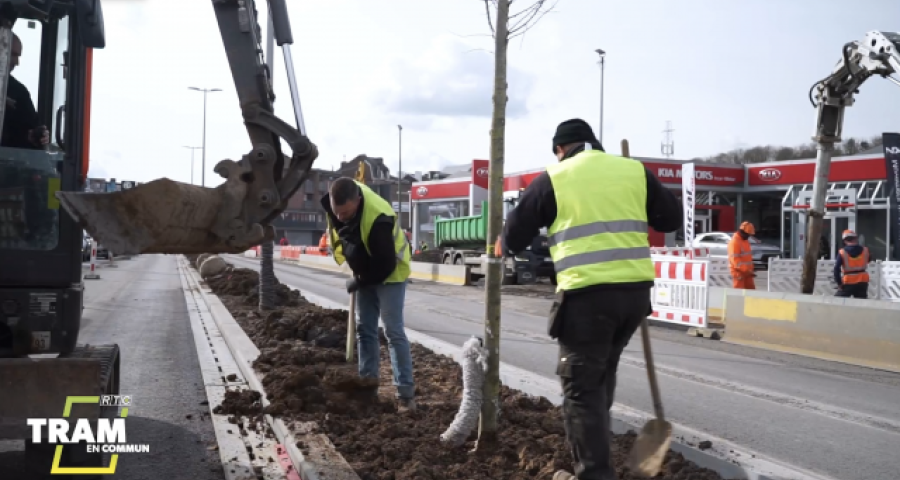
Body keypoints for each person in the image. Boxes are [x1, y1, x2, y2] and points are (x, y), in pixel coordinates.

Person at [500, 119, 682, 480]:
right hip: (633, 296)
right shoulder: (633, 171)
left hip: (587, 298)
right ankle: (599, 459)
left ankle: (595, 474)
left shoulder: (557, 176)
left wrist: (503, 243)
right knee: (601, 376)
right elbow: (670, 218)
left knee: (581, 392)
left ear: (560, 148)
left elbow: (514, 236)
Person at [321, 177, 416, 411]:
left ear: (358, 201)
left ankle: (405, 395)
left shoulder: (378, 217)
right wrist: (358, 271)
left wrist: (360, 280)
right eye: (338, 213)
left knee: (393, 332)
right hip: (365, 269)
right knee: (365, 330)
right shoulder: (333, 205)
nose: (340, 217)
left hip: (391, 273)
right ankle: (367, 388)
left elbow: (385, 266)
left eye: (346, 213)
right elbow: (344, 235)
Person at [1, 33, 49, 150]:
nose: (17, 62)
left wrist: (36, 137)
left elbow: (30, 131)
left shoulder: (18, 92)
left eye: (18, 56)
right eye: (13, 54)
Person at [834, 229, 870, 299]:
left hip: (848, 281)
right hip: (863, 280)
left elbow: (836, 269)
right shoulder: (865, 250)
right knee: (861, 303)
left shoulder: (842, 252)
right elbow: (868, 260)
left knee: (837, 301)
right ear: (856, 238)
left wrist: (839, 283)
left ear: (844, 240)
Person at [728, 221, 756, 289]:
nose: (749, 236)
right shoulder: (734, 242)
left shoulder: (745, 241)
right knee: (739, 295)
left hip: (747, 273)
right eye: (748, 234)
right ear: (742, 232)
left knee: (750, 293)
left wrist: (751, 268)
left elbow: (747, 257)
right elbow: (735, 261)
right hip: (739, 273)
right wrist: (746, 269)